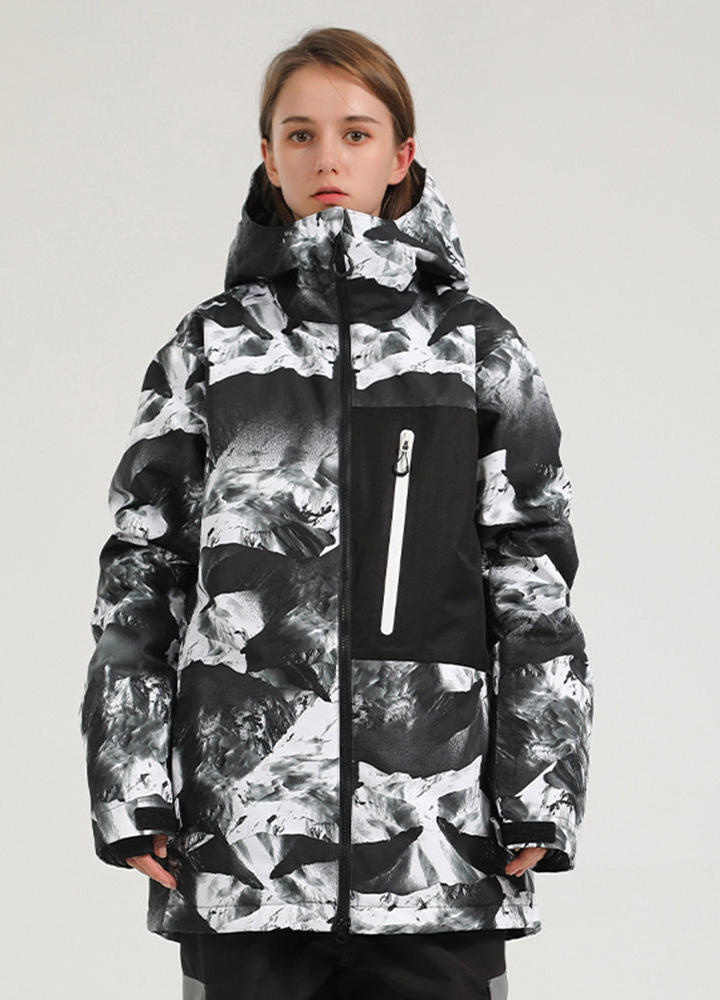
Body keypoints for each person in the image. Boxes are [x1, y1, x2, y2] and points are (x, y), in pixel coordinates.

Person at [80, 25, 594, 1000]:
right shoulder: (209, 348)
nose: (327, 157)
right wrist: (133, 785)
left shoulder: (476, 348)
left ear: (400, 156)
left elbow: (531, 575)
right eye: (300, 133)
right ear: (269, 157)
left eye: (356, 133)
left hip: (433, 846)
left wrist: (540, 788)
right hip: (246, 849)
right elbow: (142, 571)